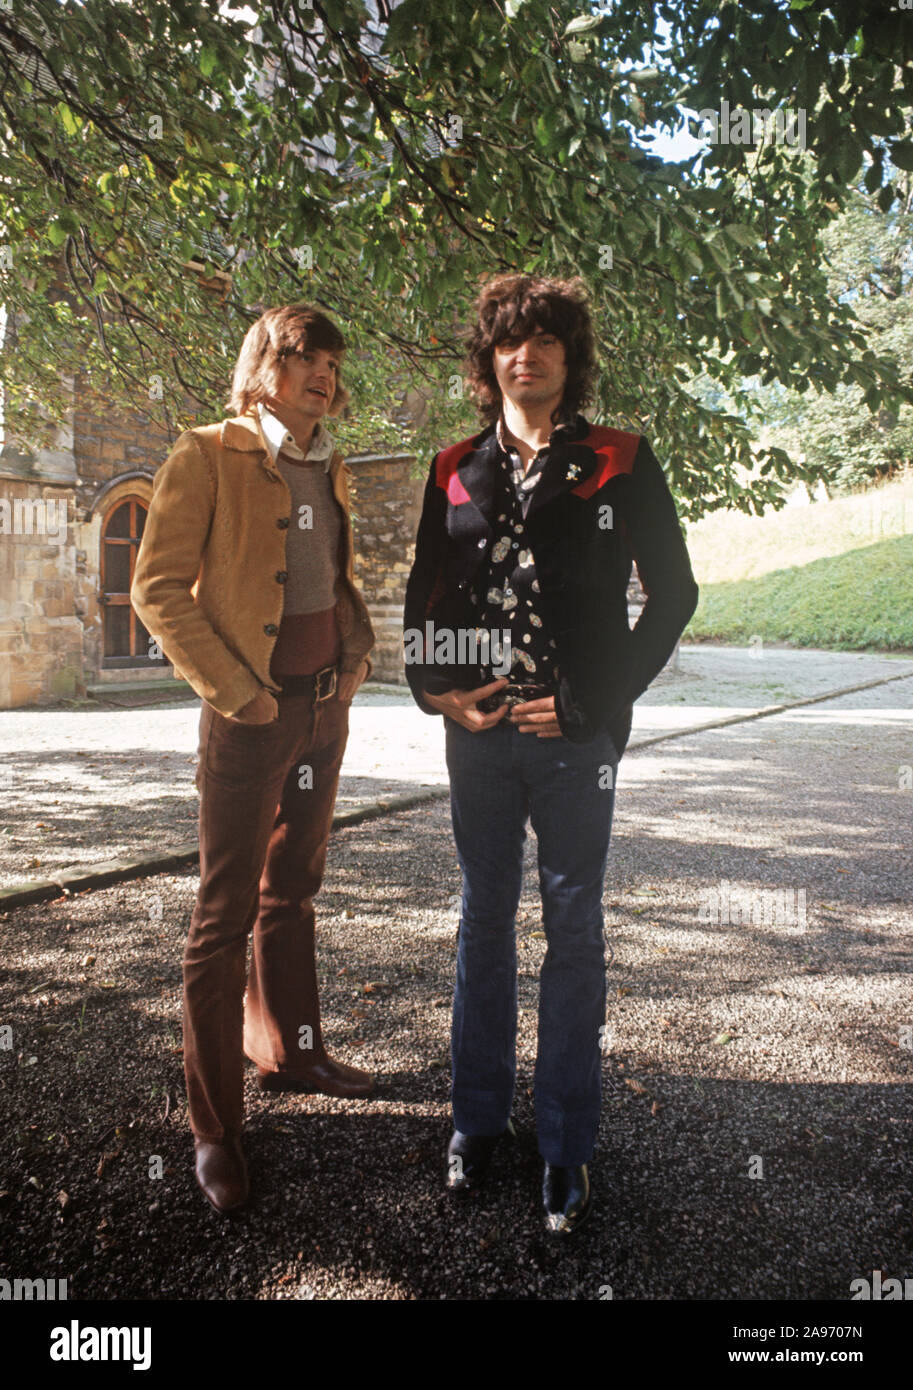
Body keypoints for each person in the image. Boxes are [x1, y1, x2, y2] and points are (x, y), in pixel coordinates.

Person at [403, 273, 699, 1234]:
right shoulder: (452, 464)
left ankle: (567, 1145)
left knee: (572, 927)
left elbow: (673, 594)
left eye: (542, 340)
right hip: (478, 739)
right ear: (489, 362)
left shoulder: (618, 457)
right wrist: (434, 688)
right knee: (481, 919)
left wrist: (590, 703)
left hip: (578, 743)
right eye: (506, 341)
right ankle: (475, 1122)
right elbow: (421, 597)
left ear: (567, 360)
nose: (522, 353)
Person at [132, 304, 375, 1214]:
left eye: (331, 361)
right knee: (222, 913)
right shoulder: (206, 454)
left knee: (294, 891)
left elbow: (334, 578)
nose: (323, 374)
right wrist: (239, 693)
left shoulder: (330, 463)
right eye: (305, 357)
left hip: (324, 710)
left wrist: (354, 660)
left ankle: (293, 1049)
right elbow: (155, 588)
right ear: (264, 366)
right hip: (250, 716)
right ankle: (214, 1131)